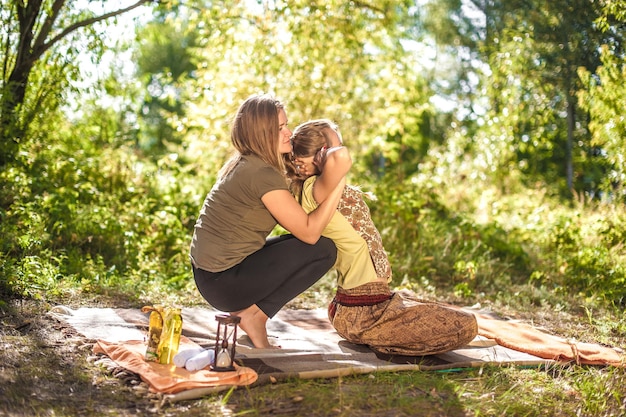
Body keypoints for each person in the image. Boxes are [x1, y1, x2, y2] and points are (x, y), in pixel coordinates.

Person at [287, 119, 477, 356]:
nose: (296, 164)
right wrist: (329, 132)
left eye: (300, 158)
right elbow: (342, 158)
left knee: (439, 313)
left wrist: (327, 139)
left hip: (376, 303)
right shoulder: (315, 187)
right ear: (325, 154)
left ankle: (388, 332)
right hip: (361, 313)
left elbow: (339, 159)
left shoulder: (329, 186)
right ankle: (382, 337)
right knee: (466, 325)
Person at [190, 95, 351, 349]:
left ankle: (253, 315)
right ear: (262, 134)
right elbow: (309, 233)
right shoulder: (262, 174)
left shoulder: (252, 163)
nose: (289, 133)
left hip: (213, 276)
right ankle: (255, 316)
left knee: (304, 245)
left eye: (286, 124)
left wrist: (328, 136)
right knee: (322, 249)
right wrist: (339, 183)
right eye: (279, 128)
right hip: (223, 281)